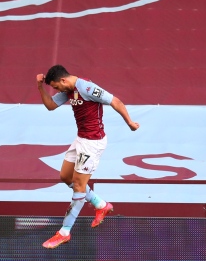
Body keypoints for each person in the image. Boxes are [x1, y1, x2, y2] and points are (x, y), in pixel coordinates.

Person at [36, 65, 139, 249]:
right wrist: (40, 87)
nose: (57, 91)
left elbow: (115, 101)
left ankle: (64, 232)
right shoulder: (69, 90)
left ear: (63, 80)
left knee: (78, 186)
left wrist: (130, 122)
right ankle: (101, 204)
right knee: (65, 177)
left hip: (93, 143)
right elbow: (51, 105)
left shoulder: (86, 88)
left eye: (57, 87)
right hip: (81, 139)